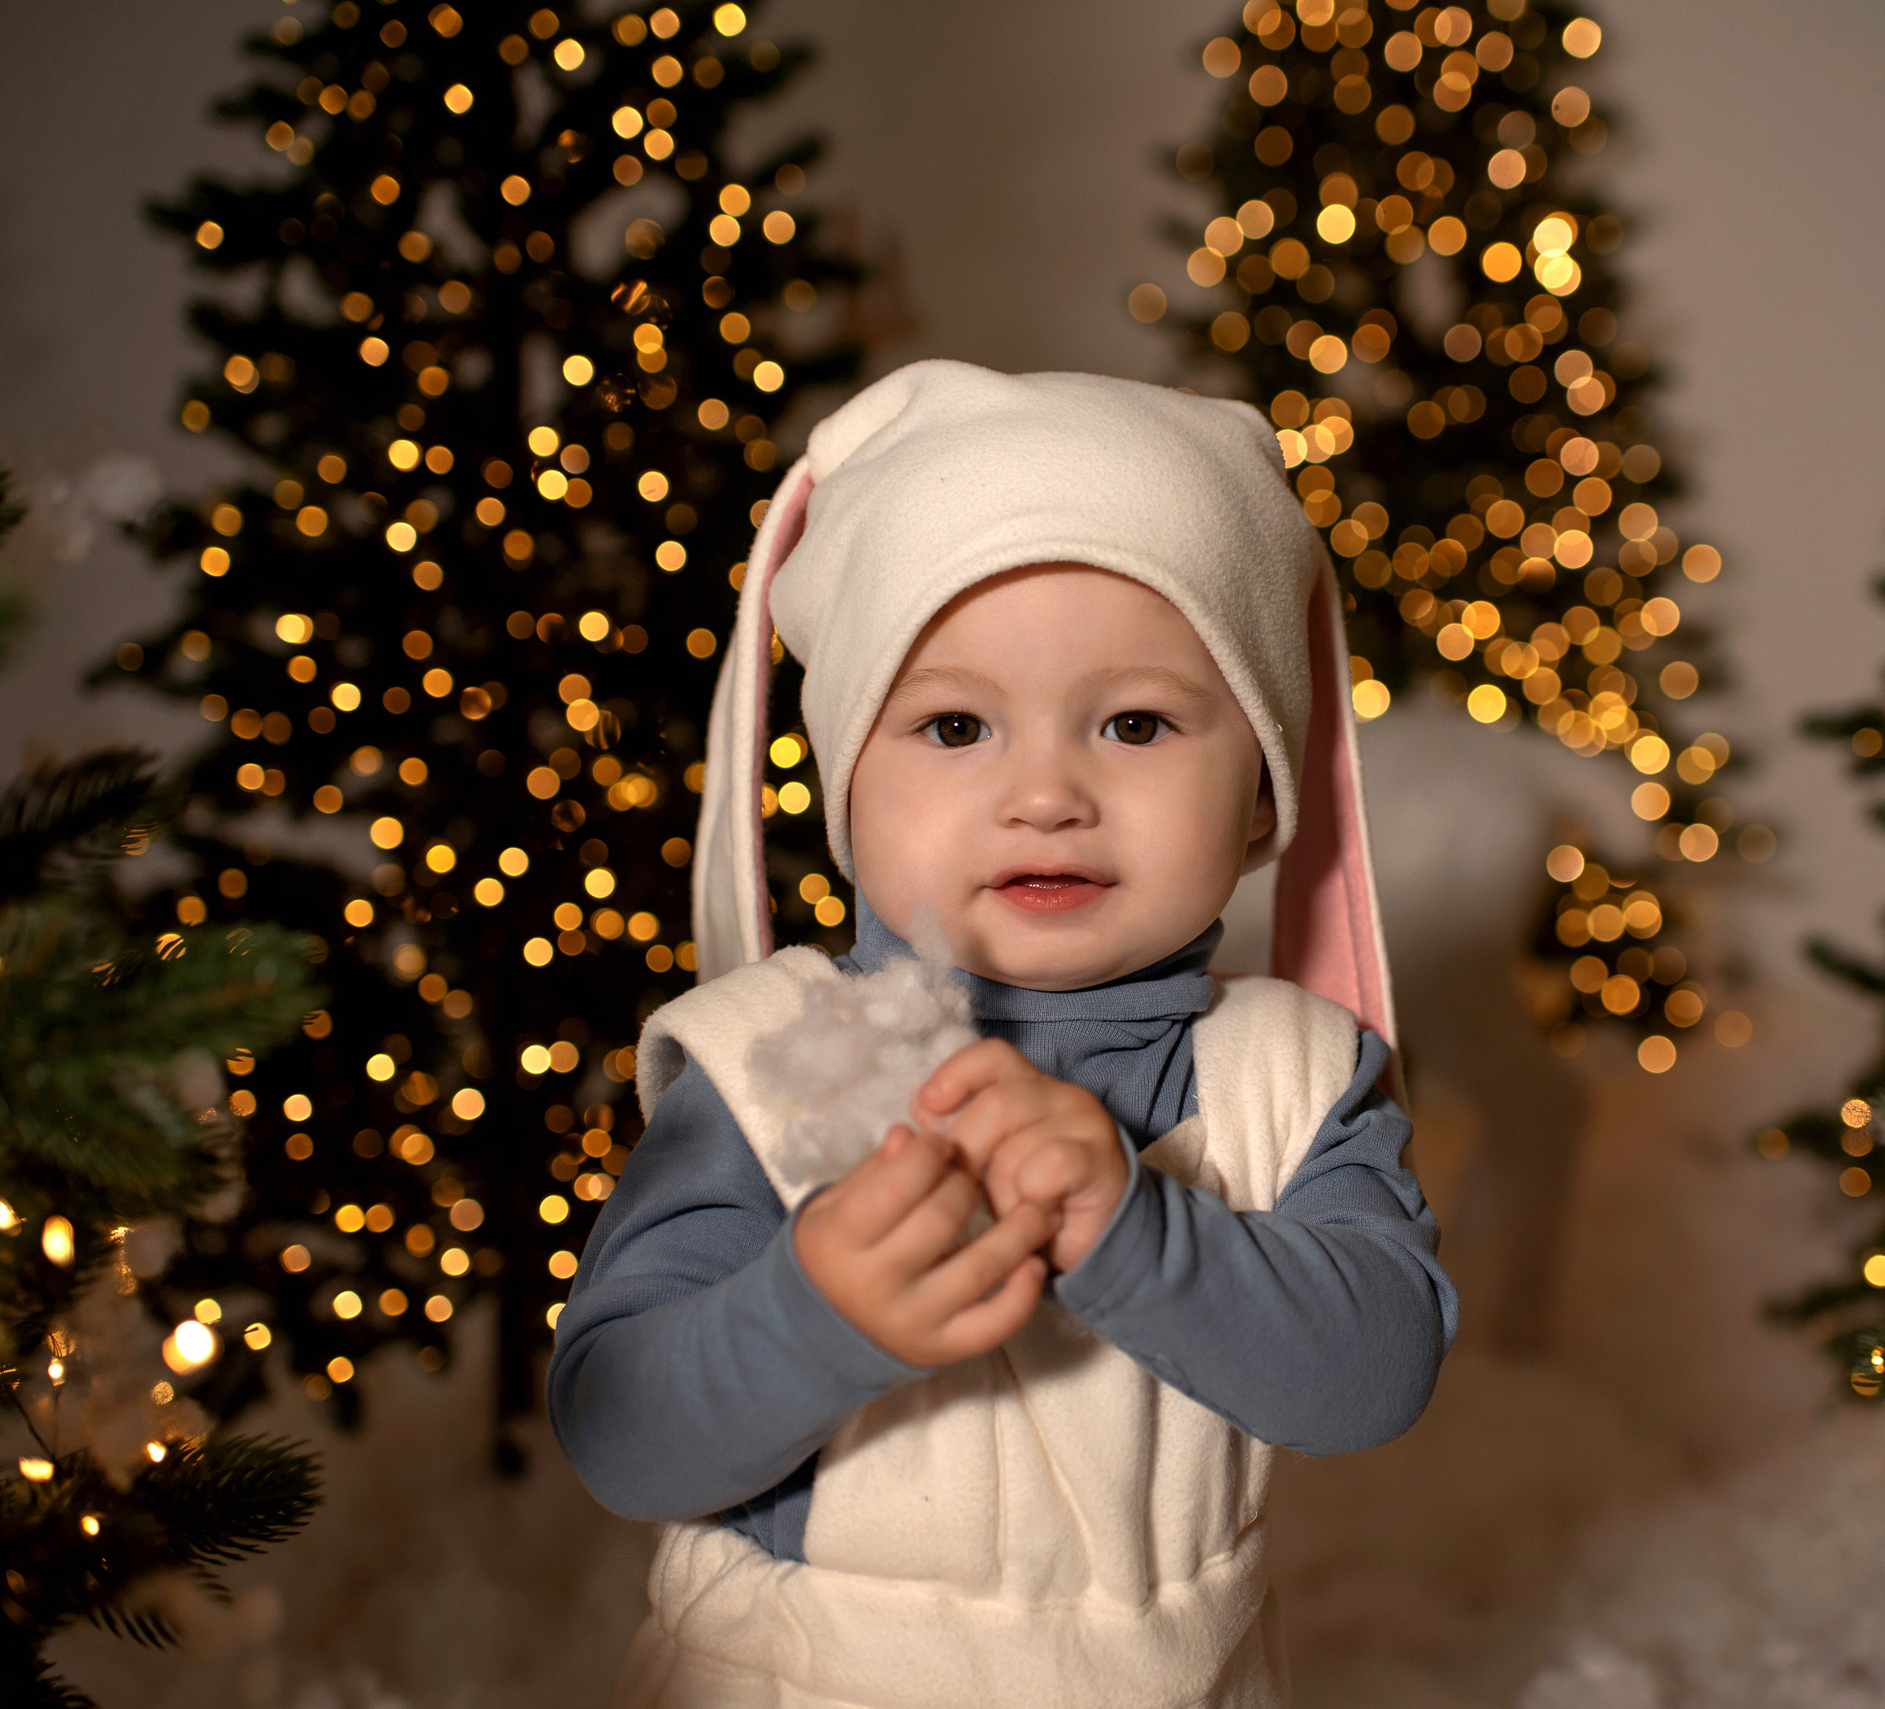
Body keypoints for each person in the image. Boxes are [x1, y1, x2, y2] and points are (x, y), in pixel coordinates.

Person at [548, 360, 1457, 1709]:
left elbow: (1372, 1378)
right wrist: (811, 1315)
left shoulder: (1296, 1076)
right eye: (955, 724)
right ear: (849, 781)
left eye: (1135, 722)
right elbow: (618, 1430)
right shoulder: (776, 1060)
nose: (1046, 793)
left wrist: (1138, 1231)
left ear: (1263, 790)